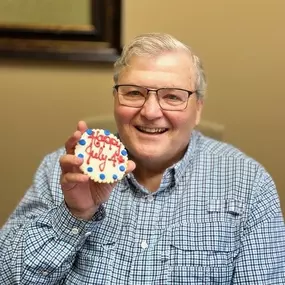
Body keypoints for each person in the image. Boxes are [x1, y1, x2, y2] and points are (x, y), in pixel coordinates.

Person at [0, 33, 284, 284]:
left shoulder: (249, 184)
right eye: (134, 93)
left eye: (172, 97)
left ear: (197, 109)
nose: (149, 112)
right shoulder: (62, 171)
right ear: (115, 99)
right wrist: (74, 214)